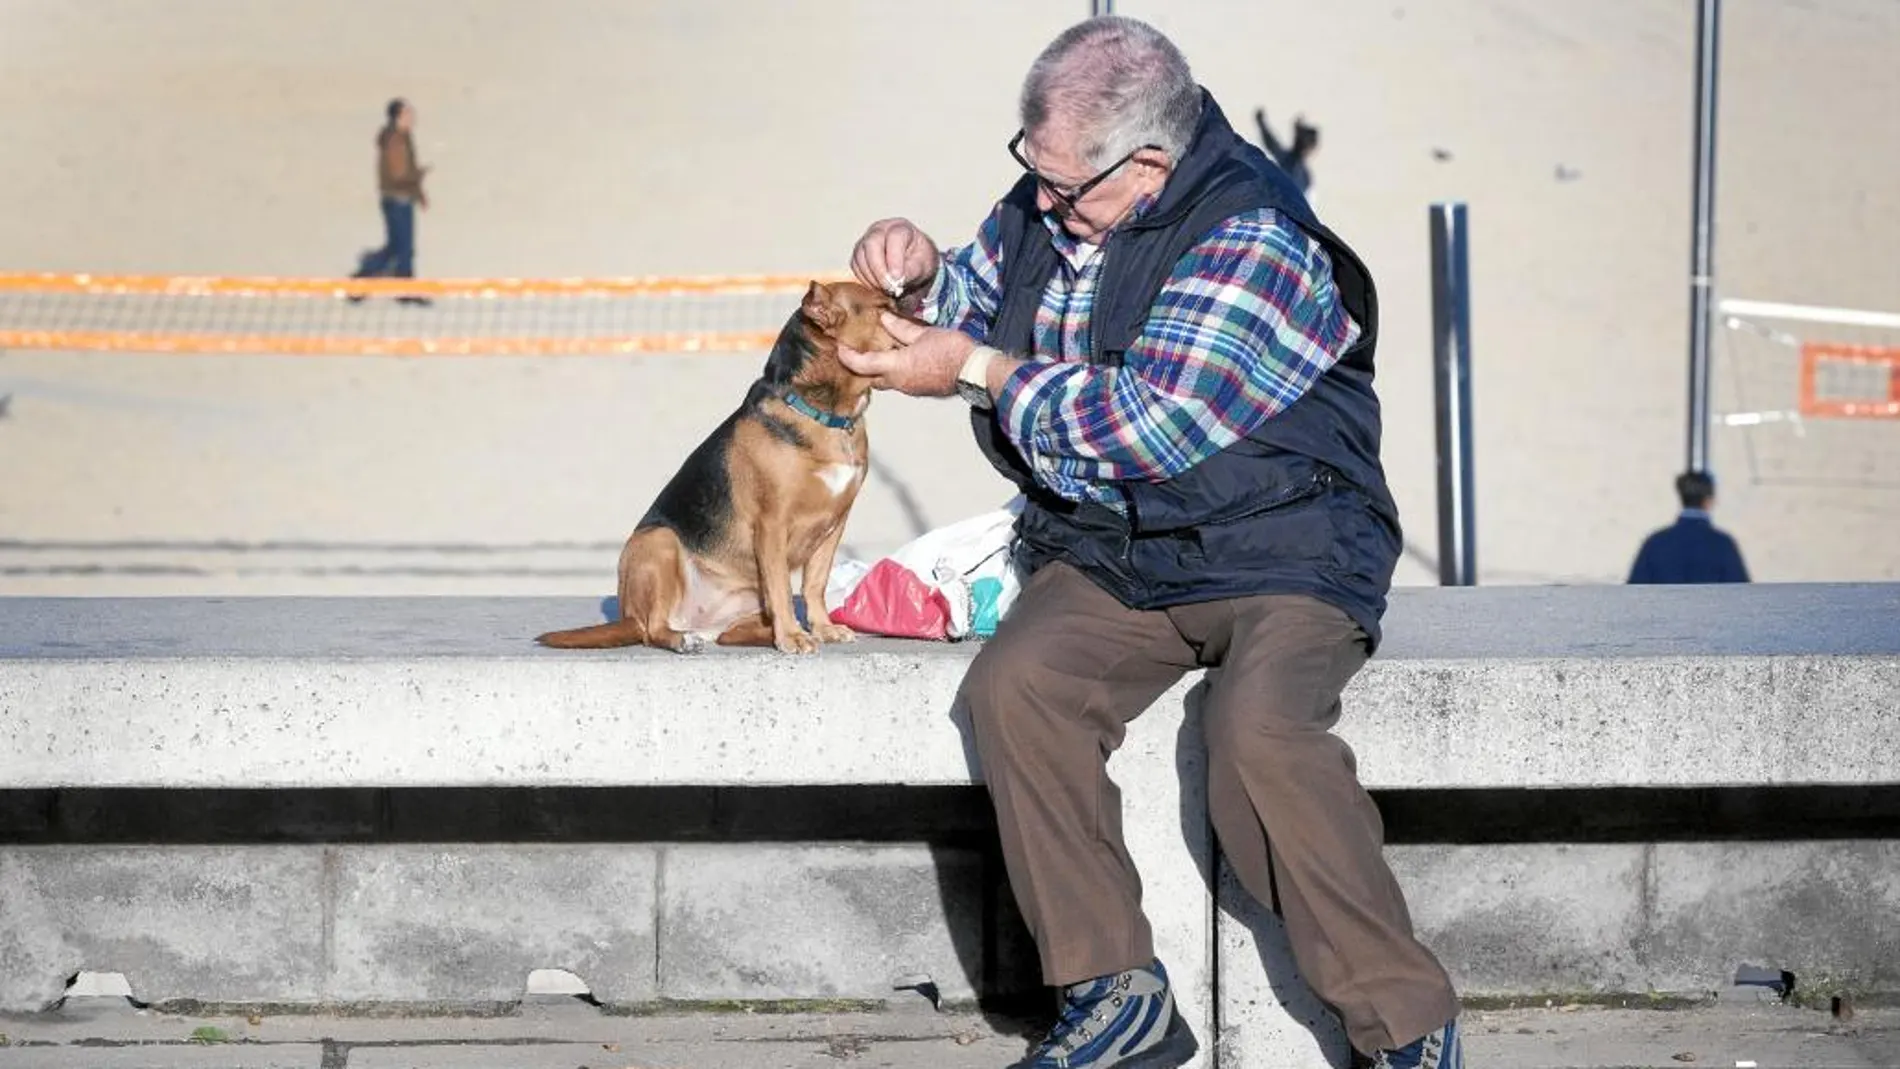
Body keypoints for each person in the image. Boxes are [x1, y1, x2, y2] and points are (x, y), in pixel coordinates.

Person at [838, 16, 1462, 1069]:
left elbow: (1143, 425)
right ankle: (1114, 994)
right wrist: (913, 278)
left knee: (1258, 737)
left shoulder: (1252, 238)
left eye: (1063, 183)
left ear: (1150, 163)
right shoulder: (1058, 196)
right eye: (1028, 169)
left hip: (1287, 547)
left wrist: (977, 371)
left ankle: (1402, 1022)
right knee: (1015, 691)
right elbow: (977, 292)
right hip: (1121, 549)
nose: (1041, 200)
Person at [349, 98, 429, 303]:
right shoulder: (396, 141)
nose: (412, 117)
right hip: (397, 200)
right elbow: (399, 174)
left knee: (400, 248)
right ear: (398, 117)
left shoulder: (402, 137)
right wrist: (417, 177)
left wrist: (418, 192)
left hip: (398, 199)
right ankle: (365, 278)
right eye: (408, 114)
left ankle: (399, 288)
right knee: (401, 248)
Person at [1627, 471, 1751, 584]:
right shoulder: (1722, 544)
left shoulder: (1655, 543)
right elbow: (1741, 596)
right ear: (1708, 500)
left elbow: (1635, 593)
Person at [1254, 105, 1319, 193]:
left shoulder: (1287, 160)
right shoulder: (1305, 178)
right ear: (1309, 148)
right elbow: (1271, 144)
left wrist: (1261, 124)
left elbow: (1271, 143)